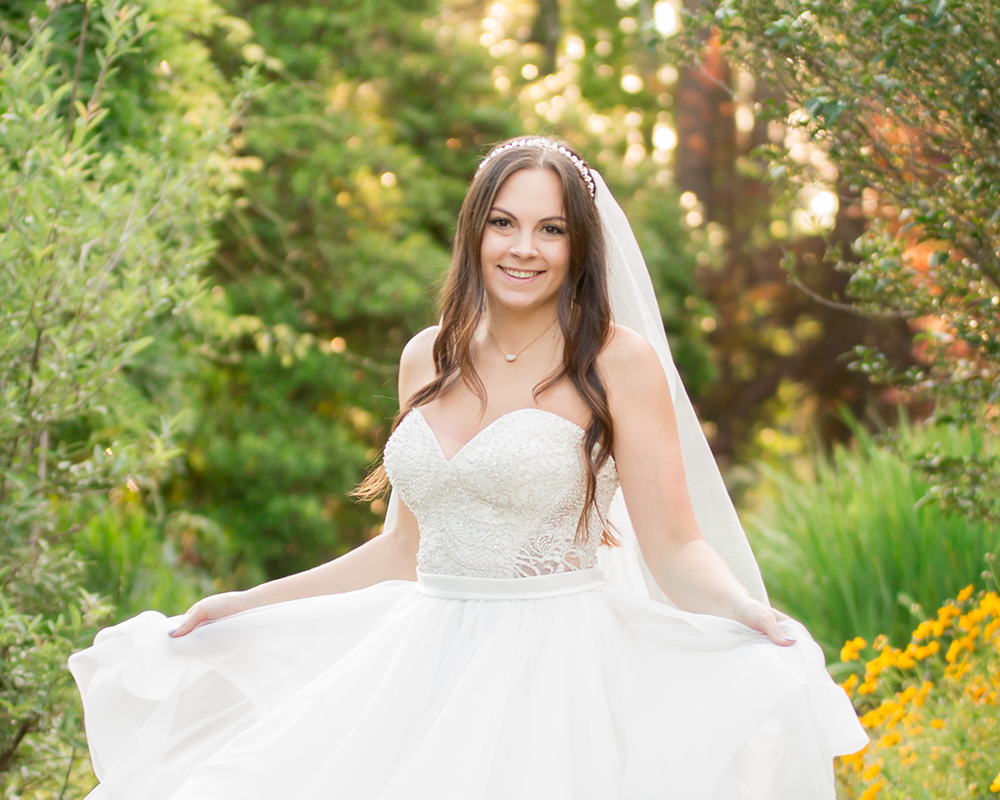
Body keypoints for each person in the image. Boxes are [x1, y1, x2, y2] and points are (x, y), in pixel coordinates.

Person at [69, 136, 867, 800]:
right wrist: (248, 601)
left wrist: (747, 614)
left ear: (579, 244)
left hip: (556, 671)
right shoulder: (428, 355)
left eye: (551, 229)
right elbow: (403, 550)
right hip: (421, 658)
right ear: (474, 233)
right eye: (504, 223)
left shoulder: (618, 362)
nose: (524, 248)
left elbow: (673, 544)